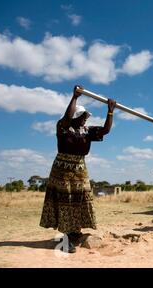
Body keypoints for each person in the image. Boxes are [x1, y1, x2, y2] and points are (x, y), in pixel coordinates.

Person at [40, 85, 116, 253]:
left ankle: (75, 231)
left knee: (80, 200)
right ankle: (65, 239)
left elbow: (106, 130)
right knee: (65, 202)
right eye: (82, 116)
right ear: (75, 116)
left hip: (80, 170)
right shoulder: (63, 128)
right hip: (62, 170)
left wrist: (110, 111)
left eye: (86, 117)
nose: (85, 119)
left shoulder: (86, 131)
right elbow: (67, 118)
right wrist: (75, 97)